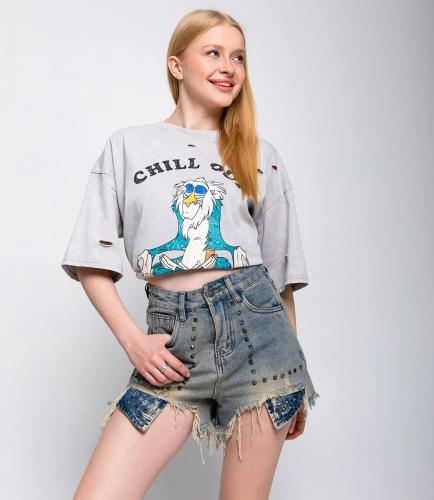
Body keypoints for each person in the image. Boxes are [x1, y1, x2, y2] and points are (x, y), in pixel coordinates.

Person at [61, 9, 320, 499]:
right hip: (173, 343)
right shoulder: (128, 146)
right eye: (214, 53)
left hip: (261, 342)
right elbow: (90, 261)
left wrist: (294, 373)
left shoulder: (260, 154)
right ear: (177, 65)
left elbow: (281, 278)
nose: (229, 67)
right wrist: (134, 342)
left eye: (238, 57)